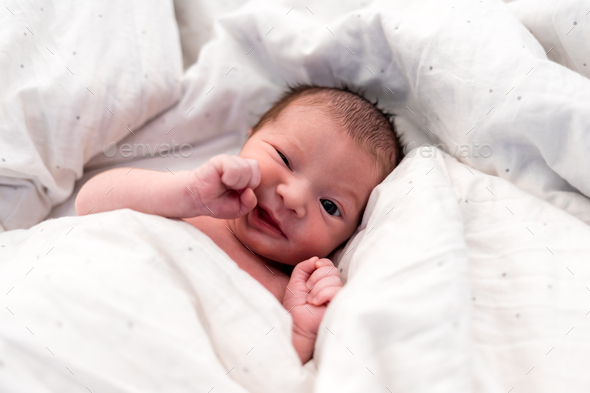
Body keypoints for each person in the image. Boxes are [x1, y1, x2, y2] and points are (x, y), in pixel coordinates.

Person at [75, 84, 402, 364]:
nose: (294, 198)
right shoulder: (184, 201)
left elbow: (260, 372)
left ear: (346, 240)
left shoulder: (286, 294)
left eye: (330, 206)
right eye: (284, 159)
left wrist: (301, 332)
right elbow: (89, 203)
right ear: (249, 139)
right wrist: (183, 193)